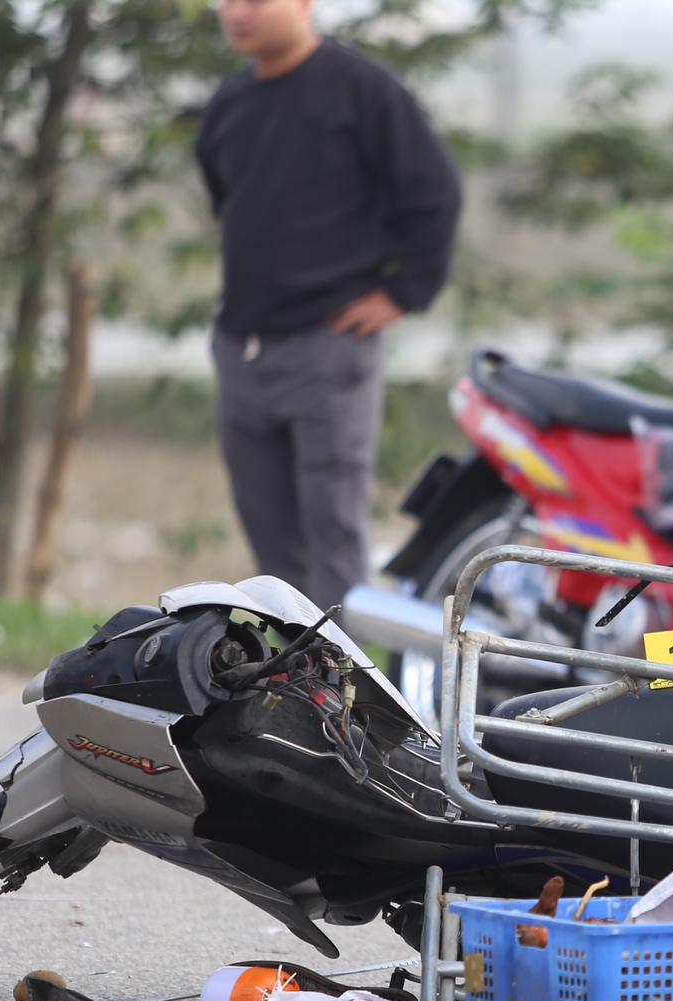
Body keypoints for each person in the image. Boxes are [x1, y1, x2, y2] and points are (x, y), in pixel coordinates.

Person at [197, 0, 461, 614]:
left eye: (255, 1)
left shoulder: (362, 91)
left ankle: (346, 702)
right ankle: (290, 686)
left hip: (328, 349)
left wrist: (402, 292)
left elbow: (435, 193)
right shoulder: (230, 103)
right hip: (243, 347)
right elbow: (226, 200)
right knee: (271, 543)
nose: (236, 12)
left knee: (334, 537)